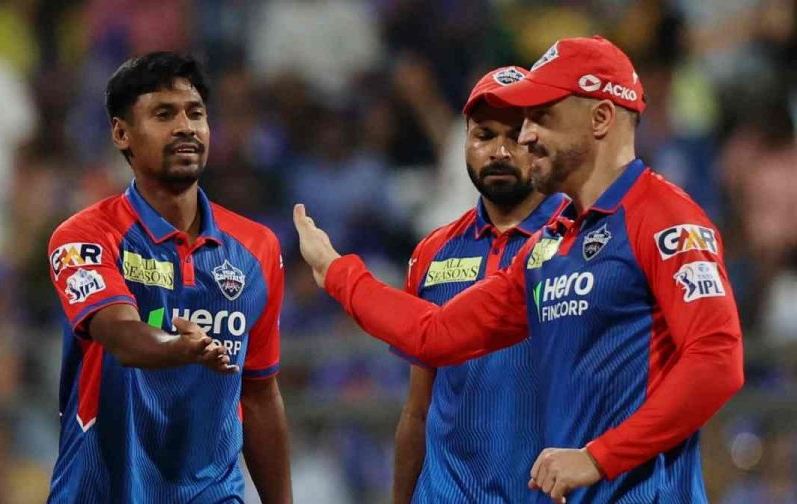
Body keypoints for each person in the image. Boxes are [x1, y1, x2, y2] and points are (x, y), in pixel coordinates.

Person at [294, 36, 743, 503]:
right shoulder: (550, 246)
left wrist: (597, 457)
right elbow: (437, 333)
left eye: (541, 117)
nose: (526, 137)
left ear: (601, 118)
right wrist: (337, 273)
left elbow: (716, 361)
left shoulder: (665, 217)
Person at [46, 52, 291, 503]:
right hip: (101, 490)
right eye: (164, 113)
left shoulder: (258, 248)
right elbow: (120, 333)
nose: (186, 127)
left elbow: (259, 393)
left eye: (195, 113)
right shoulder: (86, 236)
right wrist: (178, 348)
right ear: (122, 133)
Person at [393, 66, 568, 504]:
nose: (500, 151)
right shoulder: (432, 253)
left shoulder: (585, 240)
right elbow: (417, 411)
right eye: (484, 135)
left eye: (516, 135)